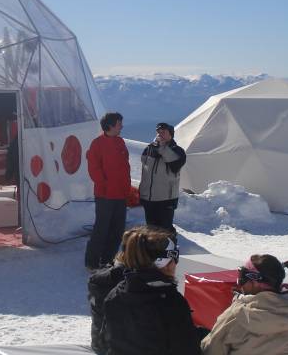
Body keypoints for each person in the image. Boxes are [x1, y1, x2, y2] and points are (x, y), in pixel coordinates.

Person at [101, 225, 201, 355]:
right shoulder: (171, 302)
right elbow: (186, 348)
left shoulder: (115, 295)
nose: (175, 263)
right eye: (174, 257)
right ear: (166, 262)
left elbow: (104, 341)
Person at [201, 254, 288, 355]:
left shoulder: (235, 315)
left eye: (243, 277)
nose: (240, 284)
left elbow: (211, 349)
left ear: (255, 281)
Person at [85, 112, 131, 270]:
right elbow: (94, 168)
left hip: (120, 193)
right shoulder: (97, 144)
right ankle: (92, 262)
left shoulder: (120, 141)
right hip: (105, 195)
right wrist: (104, 185)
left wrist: (127, 189)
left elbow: (125, 167)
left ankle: (107, 259)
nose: (121, 126)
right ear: (110, 125)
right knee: (101, 229)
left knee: (117, 230)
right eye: (119, 124)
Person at [139, 122, 186, 235]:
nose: (160, 135)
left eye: (163, 132)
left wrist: (162, 148)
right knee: (151, 233)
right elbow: (145, 170)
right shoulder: (149, 149)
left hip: (166, 200)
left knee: (166, 233)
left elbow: (175, 165)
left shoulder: (178, 151)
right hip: (149, 199)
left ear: (171, 135)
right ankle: (152, 253)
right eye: (158, 132)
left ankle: (170, 252)